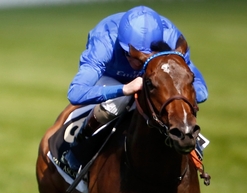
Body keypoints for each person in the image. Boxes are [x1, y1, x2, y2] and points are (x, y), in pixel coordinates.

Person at [59, 5, 208, 176]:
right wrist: (125, 89)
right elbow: (76, 92)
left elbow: (201, 91)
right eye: (134, 56)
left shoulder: (172, 38)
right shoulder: (105, 40)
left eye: (148, 55)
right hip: (112, 78)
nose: (139, 64)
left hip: (155, 80)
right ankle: (80, 145)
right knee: (118, 103)